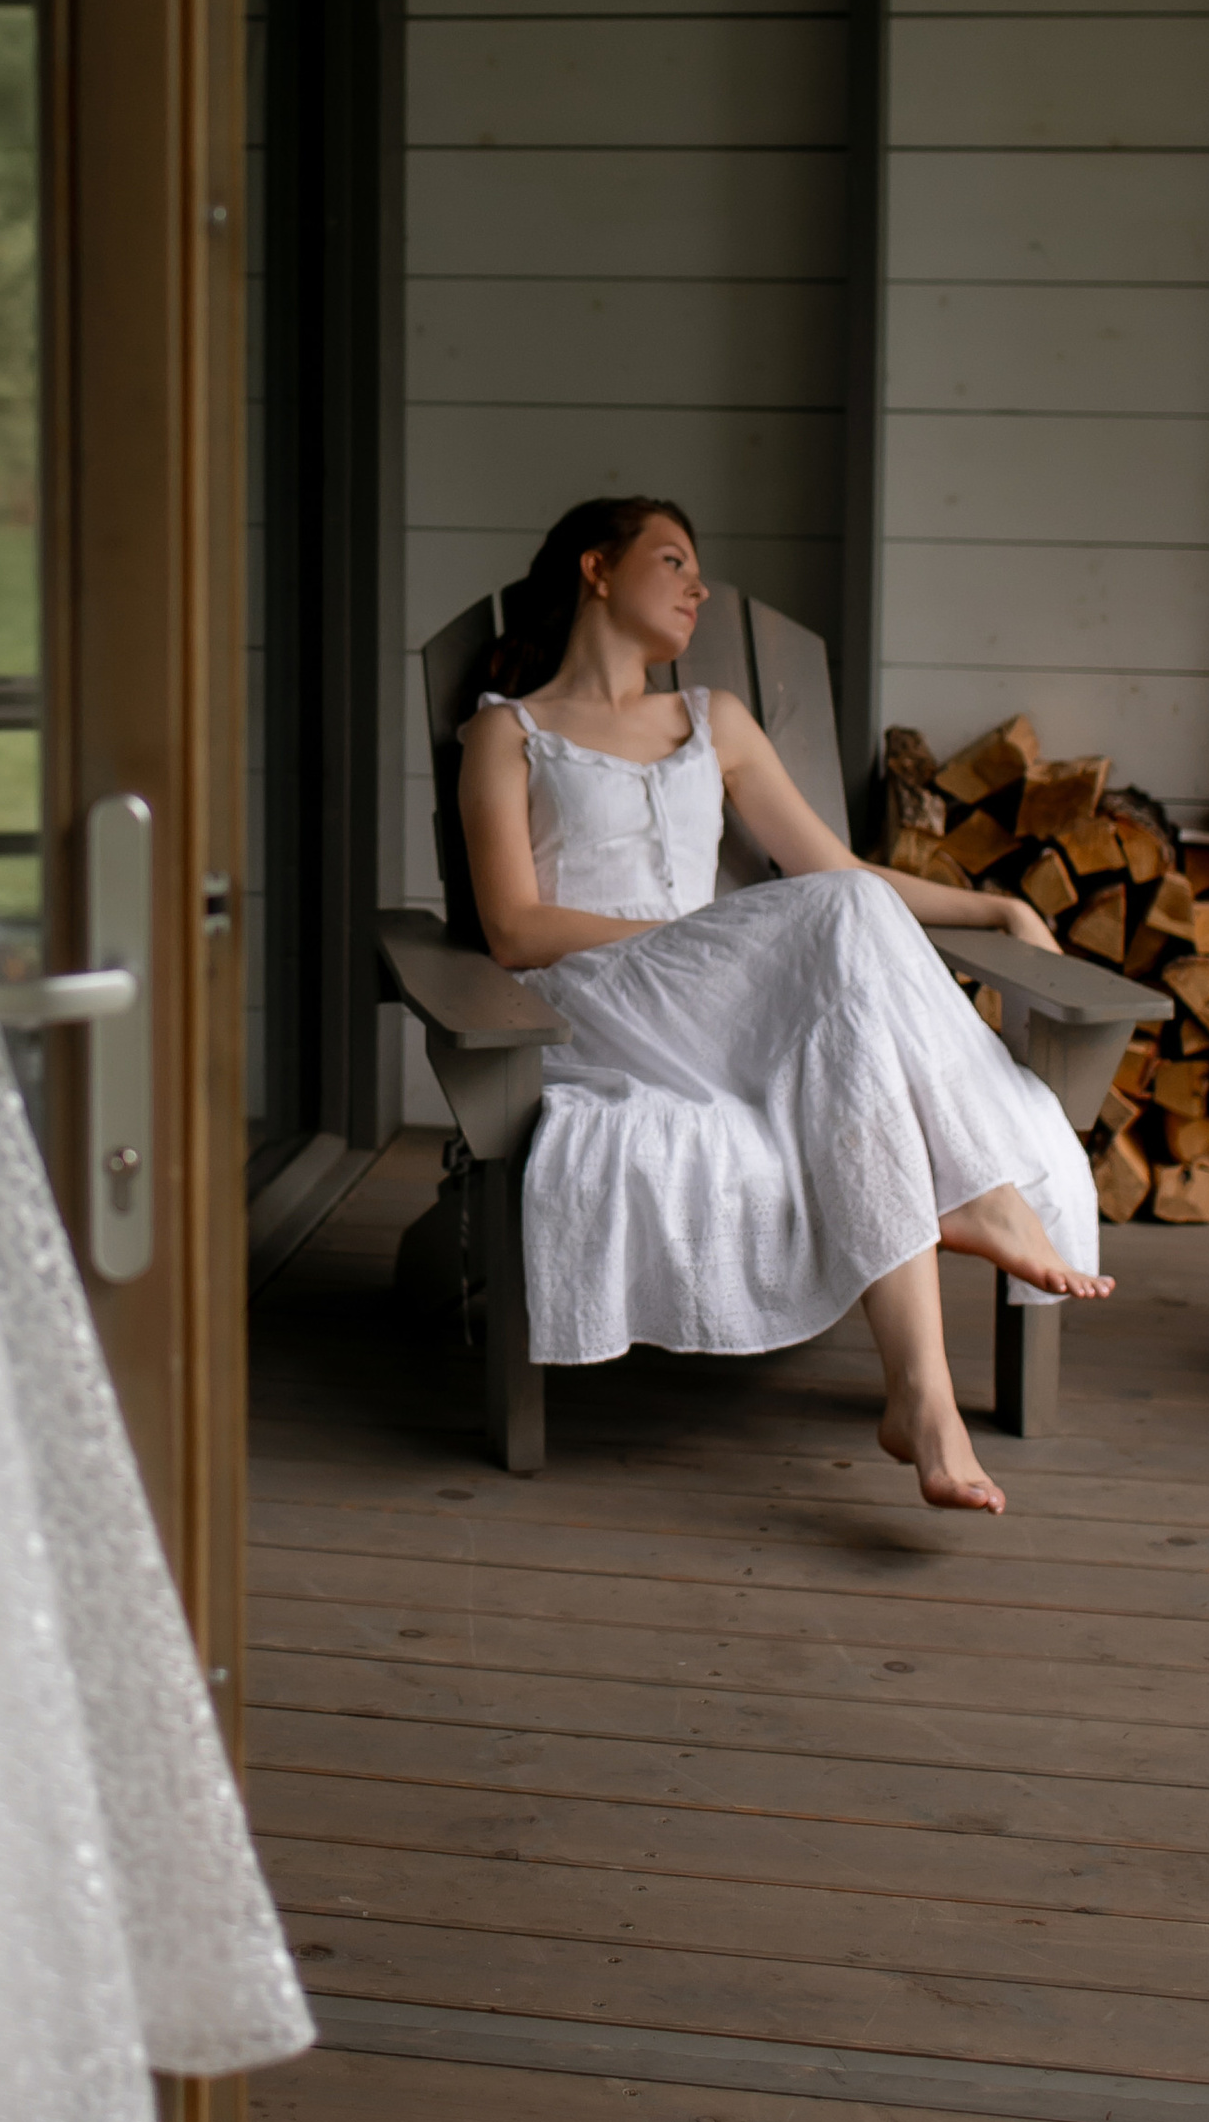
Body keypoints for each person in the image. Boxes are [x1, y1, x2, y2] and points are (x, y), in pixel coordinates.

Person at [458, 495, 1112, 1516]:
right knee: (827, 930)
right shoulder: (508, 734)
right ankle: (975, 1186)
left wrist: (995, 902)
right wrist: (694, 944)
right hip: (596, 999)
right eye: (670, 560)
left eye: (697, 570)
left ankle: (922, 1403)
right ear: (595, 569)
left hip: (727, 995)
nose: (695, 586)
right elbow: (510, 928)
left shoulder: (712, 720)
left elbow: (840, 871)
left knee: (844, 990)